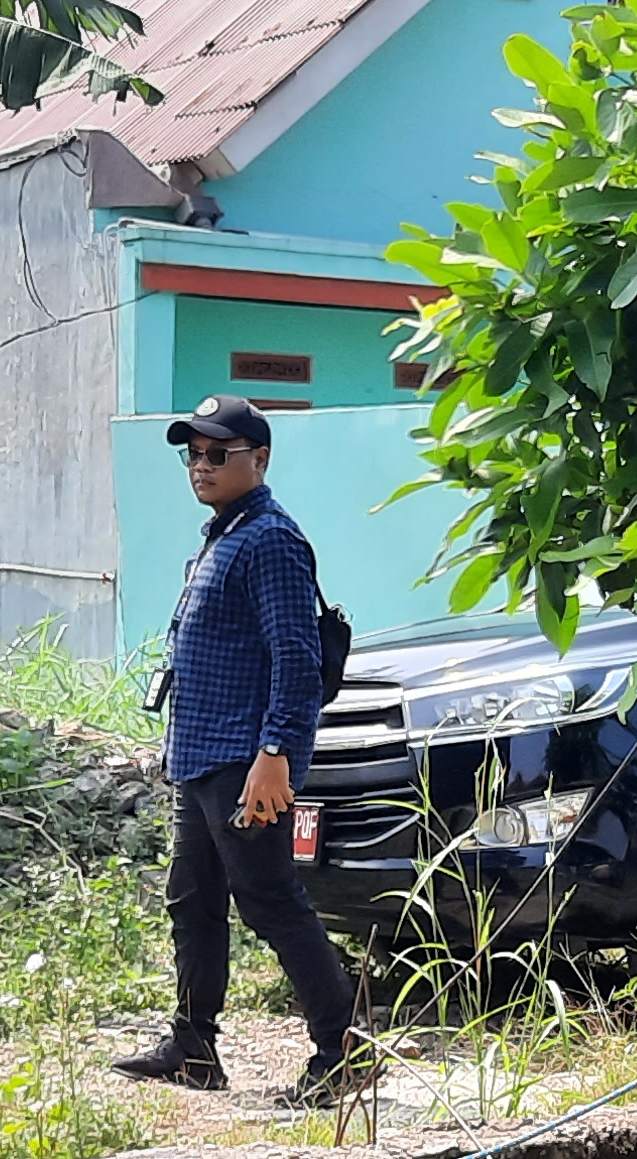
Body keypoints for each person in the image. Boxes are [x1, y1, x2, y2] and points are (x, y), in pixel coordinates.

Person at [112, 394, 374, 1107]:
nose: (201, 465)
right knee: (192, 899)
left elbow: (296, 659)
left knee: (269, 901)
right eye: (193, 453)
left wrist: (276, 754)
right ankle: (194, 1048)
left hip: (244, 761)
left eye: (217, 453)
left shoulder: (271, 541)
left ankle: (345, 1052)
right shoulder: (223, 534)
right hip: (201, 756)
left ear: (258, 459)